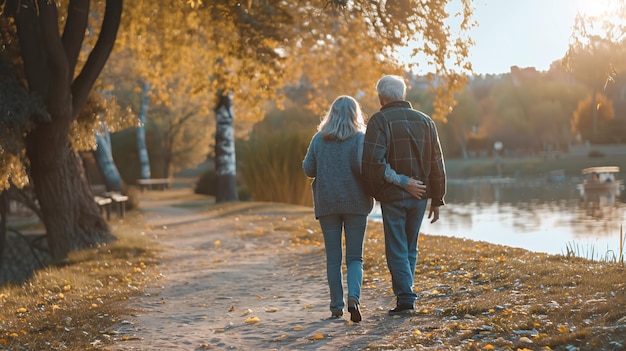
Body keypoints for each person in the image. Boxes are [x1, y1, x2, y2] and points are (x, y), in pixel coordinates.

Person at [361, 74, 446, 315]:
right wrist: (437, 198)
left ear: (381, 97)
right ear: (403, 95)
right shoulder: (426, 120)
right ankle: (406, 293)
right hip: (420, 195)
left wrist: (376, 191)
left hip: (393, 195)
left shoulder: (379, 121)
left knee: (397, 246)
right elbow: (436, 161)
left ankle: (406, 296)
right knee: (410, 245)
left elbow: (372, 163)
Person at [302, 95, 374, 323]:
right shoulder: (360, 139)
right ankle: (354, 297)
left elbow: (308, 169)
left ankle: (336, 307)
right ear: (356, 115)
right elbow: (365, 170)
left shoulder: (318, 139)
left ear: (331, 114)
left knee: (333, 258)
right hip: (356, 203)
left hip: (328, 204)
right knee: (355, 258)